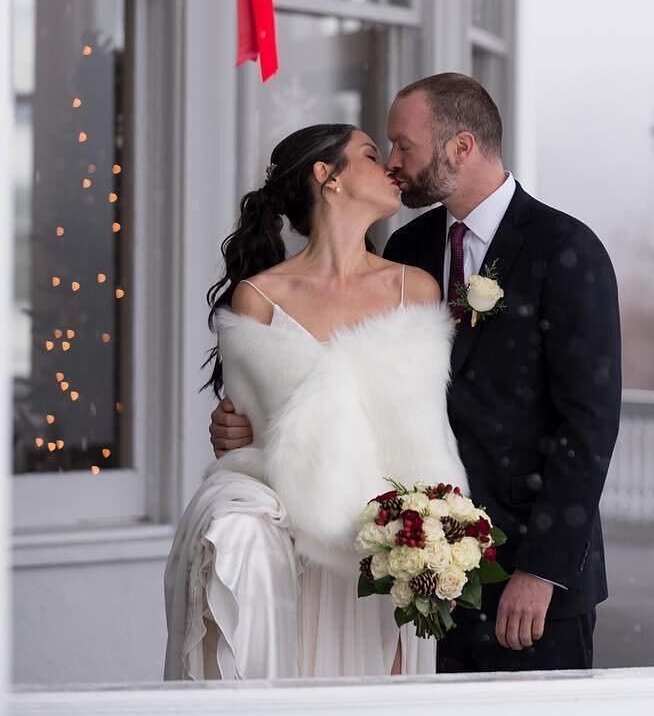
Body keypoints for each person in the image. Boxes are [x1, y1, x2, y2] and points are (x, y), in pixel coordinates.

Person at [210, 74, 623, 672]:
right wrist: (251, 426)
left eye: (403, 146)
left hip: (529, 582)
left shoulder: (566, 248)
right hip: (413, 570)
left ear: (461, 147)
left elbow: (589, 425)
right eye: (385, 151)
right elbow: (351, 384)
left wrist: (540, 571)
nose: (395, 164)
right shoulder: (409, 249)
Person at [166, 123, 464, 679]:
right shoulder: (258, 300)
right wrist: (242, 434)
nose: (392, 168)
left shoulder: (415, 289)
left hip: (381, 553)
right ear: (327, 177)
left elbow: (423, 435)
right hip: (291, 549)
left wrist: (433, 545)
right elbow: (247, 431)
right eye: (373, 156)